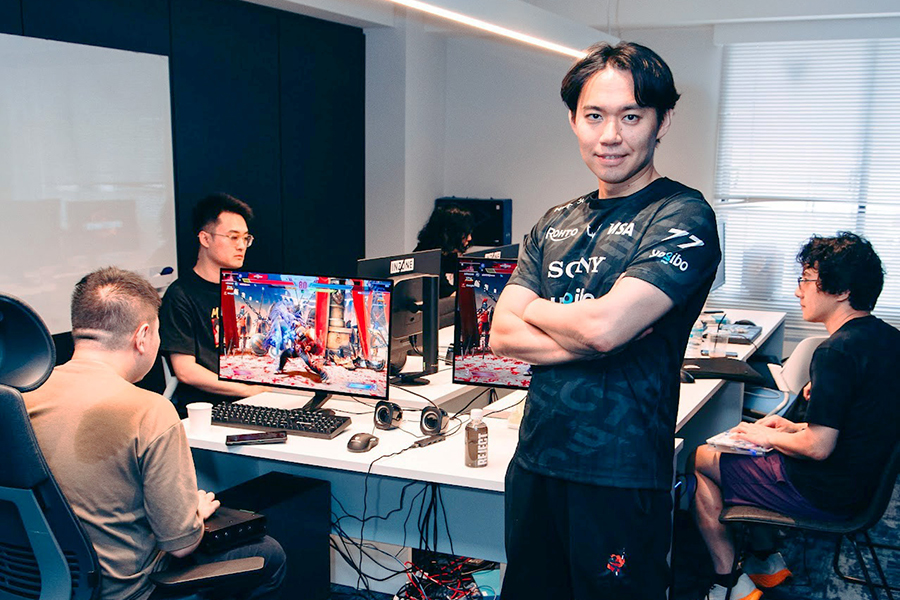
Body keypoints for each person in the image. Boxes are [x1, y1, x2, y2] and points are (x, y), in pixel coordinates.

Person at [490, 42, 720, 600]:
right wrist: (595, 332)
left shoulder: (682, 215)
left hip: (620, 471)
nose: (610, 136)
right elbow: (502, 333)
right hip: (536, 462)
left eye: (631, 117)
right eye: (594, 115)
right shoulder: (553, 222)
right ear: (574, 120)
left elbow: (603, 328)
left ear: (663, 121)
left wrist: (547, 314)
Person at [23, 267, 285, 600]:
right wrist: (195, 512)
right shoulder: (148, 410)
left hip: (37, 583)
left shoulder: (22, 397)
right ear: (143, 336)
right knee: (269, 554)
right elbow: (181, 544)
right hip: (128, 591)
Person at [692, 232, 900, 600]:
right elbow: (864, 420)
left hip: (828, 491)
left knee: (699, 458)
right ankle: (765, 560)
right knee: (747, 446)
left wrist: (767, 436)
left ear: (841, 291)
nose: (797, 291)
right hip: (862, 483)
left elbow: (818, 448)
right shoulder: (887, 338)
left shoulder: (836, 352)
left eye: (806, 280)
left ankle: (730, 584)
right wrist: (794, 427)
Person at [160, 193, 264, 414]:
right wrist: (249, 391)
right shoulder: (181, 295)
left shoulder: (245, 289)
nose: (241, 246)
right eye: (233, 237)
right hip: (208, 407)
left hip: (256, 397)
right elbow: (185, 371)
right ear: (205, 239)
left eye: (246, 238)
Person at [414, 203, 475, 298]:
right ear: (449, 233)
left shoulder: (449, 253)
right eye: (464, 233)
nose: (469, 238)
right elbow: (447, 294)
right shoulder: (426, 260)